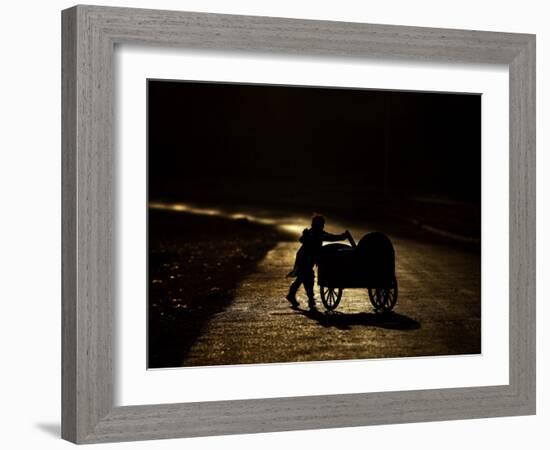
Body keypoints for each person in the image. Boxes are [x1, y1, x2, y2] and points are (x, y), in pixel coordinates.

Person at [286, 214, 348, 309]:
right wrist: (342, 237)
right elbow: (302, 239)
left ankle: (294, 295)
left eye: (322, 224)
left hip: (309, 259)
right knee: (307, 278)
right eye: (321, 224)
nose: (322, 226)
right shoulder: (313, 233)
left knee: (302, 278)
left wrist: (342, 236)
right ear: (316, 225)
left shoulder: (318, 232)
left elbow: (329, 236)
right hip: (304, 258)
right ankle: (309, 299)